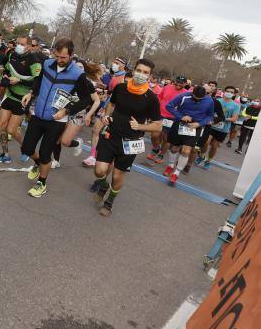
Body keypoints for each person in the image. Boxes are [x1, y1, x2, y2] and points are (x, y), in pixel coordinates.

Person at [20, 37, 93, 197]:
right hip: (39, 114)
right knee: (26, 148)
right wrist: (30, 93)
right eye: (57, 56)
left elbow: (86, 100)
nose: (59, 60)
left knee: (46, 154)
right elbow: (39, 81)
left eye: (63, 58)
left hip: (57, 120)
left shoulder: (78, 74)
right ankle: (38, 164)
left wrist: (66, 110)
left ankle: (42, 183)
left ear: (71, 55)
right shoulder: (47, 64)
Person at [90, 58, 162, 215]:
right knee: (99, 171)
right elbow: (111, 104)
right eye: (139, 70)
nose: (141, 74)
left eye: (145, 73)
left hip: (130, 142)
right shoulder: (121, 88)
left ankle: (109, 202)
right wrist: (106, 116)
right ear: (134, 70)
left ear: (150, 76)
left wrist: (140, 126)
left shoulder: (151, 98)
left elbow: (158, 125)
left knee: (117, 176)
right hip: (111, 134)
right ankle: (103, 186)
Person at [0, 35, 41, 163]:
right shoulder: (12, 55)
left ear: (29, 46)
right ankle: (5, 154)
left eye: (23, 44)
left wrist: (19, 80)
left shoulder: (34, 61)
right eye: (18, 43)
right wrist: (6, 79)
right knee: (1, 126)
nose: (19, 46)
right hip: (10, 95)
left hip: (22, 100)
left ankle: (25, 148)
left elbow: (37, 82)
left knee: (11, 130)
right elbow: (7, 70)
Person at [51, 60, 101, 168]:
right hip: (65, 111)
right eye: (76, 67)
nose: (78, 69)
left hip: (79, 114)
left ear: (84, 70)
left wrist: (88, 115)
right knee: (56, 138)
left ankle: (78, 143)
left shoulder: (87, 83)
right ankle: (56, 160)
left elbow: (97, 101)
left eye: (80, 67)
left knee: (65, 141)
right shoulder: (67, 79)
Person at [163, 85, 215, 185]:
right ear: (192, 93)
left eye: (200, 99)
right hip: (180, 124)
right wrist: (181, 116)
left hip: (195, 127)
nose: (197, 100)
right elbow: (169, 106)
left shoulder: (209, 101)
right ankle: (170, 166)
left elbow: (210, 116)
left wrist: (199, 124)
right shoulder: (183, 96)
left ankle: (176, 173)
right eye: (195, 98)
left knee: (186, 150)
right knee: (174, 149)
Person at [196, 86, 239, 169]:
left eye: (231, 92)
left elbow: (235, 118)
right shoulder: (217, 101)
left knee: (214, 146)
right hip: (211, 126)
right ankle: (201, 156)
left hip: (223, 129)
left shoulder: (235, 105)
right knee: (206, 142)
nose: (229, 93)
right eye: (228, 91)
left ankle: (208, 160)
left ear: (234, 94)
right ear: (224, 91)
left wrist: (222, 118)